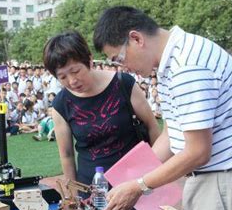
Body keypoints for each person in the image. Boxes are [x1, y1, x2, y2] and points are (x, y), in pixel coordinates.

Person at [93, 6, 232, 210]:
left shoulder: (187, 66)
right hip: (210, 179)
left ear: (136, 39)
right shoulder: (173, 60)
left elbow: (197, 152)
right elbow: (172, 133)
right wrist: (125, 181)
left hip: (225, 180)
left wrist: (139, 186)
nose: (124, 68)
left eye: (119, 59)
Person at [43, 31, 160, 187]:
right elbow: (67, 155)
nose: (72, 81)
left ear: (89, 60)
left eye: (75, 71)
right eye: (63, 77)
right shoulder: (61, 104)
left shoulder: (123, 84)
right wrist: (74, 195)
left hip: (137, 182)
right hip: (93, 188)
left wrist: (157, 175)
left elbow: (152, 127)